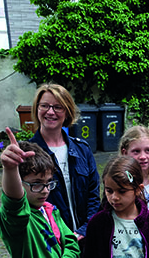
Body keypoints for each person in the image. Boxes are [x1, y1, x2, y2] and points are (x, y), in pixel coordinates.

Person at [0, 129, 79, 258]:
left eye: (48, 182)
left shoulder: (50, 211)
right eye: (36, 184)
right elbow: (14, 204)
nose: (46, 190)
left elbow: (72, 246)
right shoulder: (16, 221)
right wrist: (10, 169)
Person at [29, 83, 101, 240]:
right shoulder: (29, 153)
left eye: (57, 107)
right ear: (36, 109)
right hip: (50, 241)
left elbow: (94, 195)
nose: (50, 112)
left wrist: (85, 230)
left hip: (84, 240)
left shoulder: (82, 150)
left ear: (67, 112)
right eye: (44, 106)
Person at [119, 125, 149, 214]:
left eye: (147, 150)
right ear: (125, 153)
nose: (143, 157)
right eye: (136, 151)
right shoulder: (117, 182)